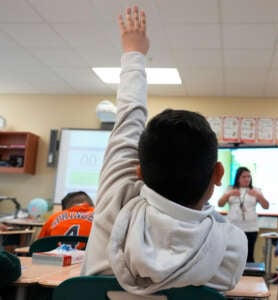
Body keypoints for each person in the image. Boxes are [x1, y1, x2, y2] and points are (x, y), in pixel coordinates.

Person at [81, 4, 247, 296]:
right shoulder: (230, 247)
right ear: (218, 173)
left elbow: (129, 118)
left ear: (139, 172)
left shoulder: (116, 200)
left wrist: (134, 52)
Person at [218, 166, 269, 262]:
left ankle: (249, 276)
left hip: (251, 228)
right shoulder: (230, 189)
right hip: (233, 227)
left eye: (249, 177)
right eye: (244, 176)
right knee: (232, 255)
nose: (247, 179)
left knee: (249, 255)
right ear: (238, 178)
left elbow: (266, 206)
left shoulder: (255, 190)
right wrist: (229, 194)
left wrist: (258, 196)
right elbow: (220, 204)